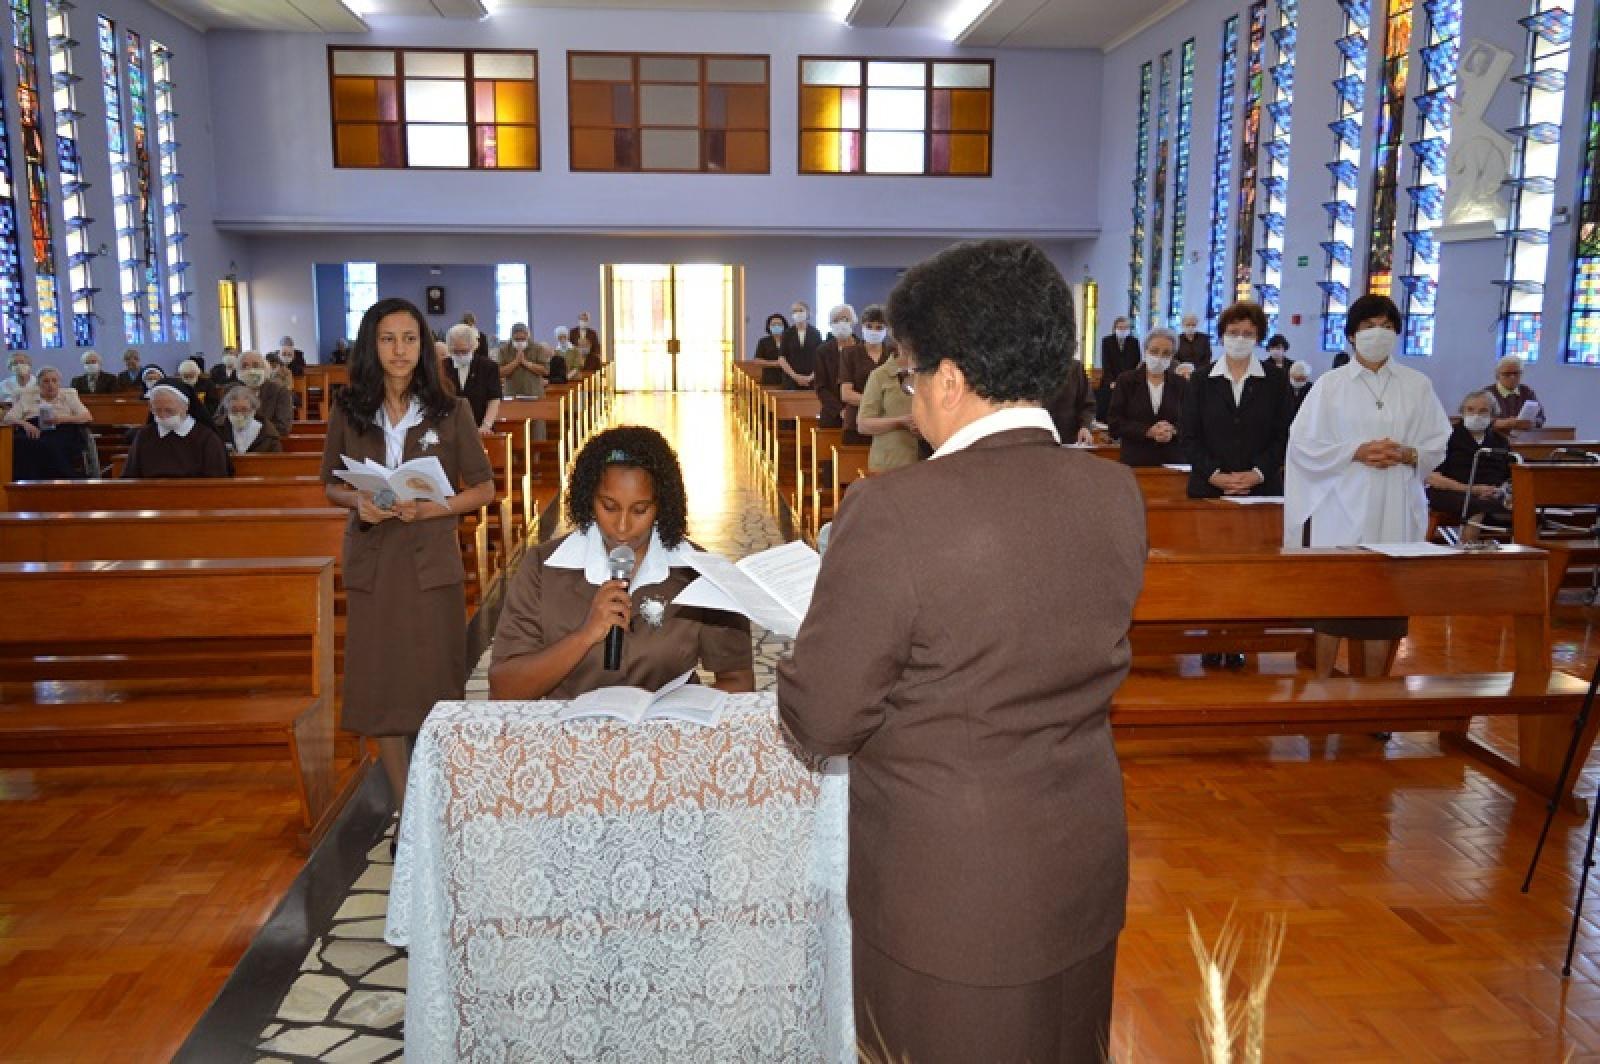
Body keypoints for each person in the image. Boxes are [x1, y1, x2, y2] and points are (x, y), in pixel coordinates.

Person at [778, 239, 1144, 1064]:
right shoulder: (1114, 493)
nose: (910, 403)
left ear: (949, 376)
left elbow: (826, 717)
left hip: (950, 896)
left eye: (911, 378)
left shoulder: (897, 512)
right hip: (1079, 867)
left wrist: (806, 648)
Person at [319, 296, 495, 814]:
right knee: (382, 693)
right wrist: (358, 501)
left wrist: (435, 508)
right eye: (389, 339)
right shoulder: (349, 409)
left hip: (428, 565)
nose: (400, 350)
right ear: (372, 346)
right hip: (374, 562)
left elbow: (482, 490)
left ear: (424, 346)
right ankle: (403, 811)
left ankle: (439, 807)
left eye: (410, 339)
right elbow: (330, 484)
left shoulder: (451, 409)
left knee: (432, 689)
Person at [489, 426, 756, 699]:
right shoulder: (542, 568)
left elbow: (737, 682)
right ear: (589, 499)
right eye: (609, 506)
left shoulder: (700, 574)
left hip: (665, 736)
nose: (623, 527)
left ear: (661, 505)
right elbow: (505, 689)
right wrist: (585, 635)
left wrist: (680, 721)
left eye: (640, 510)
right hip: (572, 737)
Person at [1284, 293, 1452, 678]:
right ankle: (1323, 686)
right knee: (1336, 600)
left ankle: (1375, 691)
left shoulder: (1417, 384)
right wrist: (1356, 451)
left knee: (1384, 600)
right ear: (1352, 335)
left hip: (1395, 500)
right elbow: (1304, 444)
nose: (1379, 333)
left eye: (1387, 327)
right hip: (1341, 503)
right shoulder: (1330, 385)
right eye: (1369, 326)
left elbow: (1438, 440)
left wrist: (1408, 454)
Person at [1182, 301, 1291, 499]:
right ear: (1222, 336)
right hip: (1208, 488)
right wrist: (1215, 475)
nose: (1239, 339)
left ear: (1258, 338)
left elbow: (1284, 434)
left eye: (1248, 334)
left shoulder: (1277, 380)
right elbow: (1188, 436)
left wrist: (1257, 473)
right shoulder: (1200, 379)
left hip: (1262, 489)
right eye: (1233, 332)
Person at [1426, 389, 1513, 542]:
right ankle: (1467, 553)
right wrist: (1473, 490)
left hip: (1492, 494)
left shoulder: (1500, 441)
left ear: (1492, 415)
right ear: (1462, 412)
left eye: (1483, 411)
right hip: (1451, 492)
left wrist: (1500, 490)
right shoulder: (1448, 437)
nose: (1476, 415)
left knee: (1521, 505)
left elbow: (1509, 475)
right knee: (1476, 506)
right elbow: (1432, 478)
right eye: (1470, 410)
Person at [1108, 326, 1187, 466]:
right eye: (1155, 351)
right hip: (1136, 460)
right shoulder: (1126, 381)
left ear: (1172, 356)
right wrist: (1148, 431)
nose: (1159, 357)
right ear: (1145, 351)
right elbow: (1115, 423)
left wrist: (1172, 430)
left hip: (1173, 461)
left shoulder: (1181, 384)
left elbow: (1191, 423)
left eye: (1166, 353)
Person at [123, 381, 230, 478]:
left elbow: (216, 483)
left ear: (186, 406)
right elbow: (129, 478)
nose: (163, 415)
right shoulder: (144, 436)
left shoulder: (207, 438)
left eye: (169, 410)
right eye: (157, 410)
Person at [5, 367, 92, 479]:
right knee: (18, 442)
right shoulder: (27, 397)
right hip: (32, 429)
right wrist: (25, 424)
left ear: (59, 383)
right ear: (38, 384)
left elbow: (87, 416)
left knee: (48, 445)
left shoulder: (69, 396)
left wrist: (61, 419)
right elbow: (8, 418)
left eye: (54, 381)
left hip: (61, 429)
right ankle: (26, 481)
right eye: (46, 381)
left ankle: (57, 479)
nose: (50, 384)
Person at [856, 337, 919, 473]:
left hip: (927, 461)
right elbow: (863, 424)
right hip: (890, 462)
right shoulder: (879, 375)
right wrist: (900, 422)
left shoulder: (930, 374)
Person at [839, 304, 896, 444]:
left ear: (886, 330)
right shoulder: (849, 353)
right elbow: (846, 394)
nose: (873, 331)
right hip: (856, 424)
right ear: (863, 327)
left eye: (879, 327)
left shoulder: (894, 354)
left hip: (887, 424)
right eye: (869, 326)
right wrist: (877, 401)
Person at [442, 322, 502, 434]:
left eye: (464, 351)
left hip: (480, 427)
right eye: (455, 351)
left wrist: (486, 425)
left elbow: (494, 399)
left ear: (473, 347)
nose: (460, 355)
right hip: (449, 429)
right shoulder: (442, 367)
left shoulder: (488, 366)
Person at [812, 303, 855, 431]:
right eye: (836, 320)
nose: (841, 323)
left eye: (845, 319)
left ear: (853, 322)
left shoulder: (862, 347)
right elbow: (820, 387)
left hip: (859, 412)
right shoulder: (823, 351)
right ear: (831, 324)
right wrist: (840, 410)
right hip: (832, 414)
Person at [232, 350, 294, 437]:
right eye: (245, 366)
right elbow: (218, 421)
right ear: (238, 372)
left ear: (265, 369)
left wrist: (251, 431)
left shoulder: (279, 391)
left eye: (256, 365)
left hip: (265, 444)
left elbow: (283, 427)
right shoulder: (231, 390)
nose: (251, 370)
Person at [1044, 352, 1096, 446]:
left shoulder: (1075, 367)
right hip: (1038, 438)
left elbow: (1087, 404)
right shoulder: (1030, 368)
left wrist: (1085, 427)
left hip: (1069, 439)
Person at [1096, 315, 1140, 420]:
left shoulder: (1134, 342)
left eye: (1125, 328)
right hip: (1110, 380)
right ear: (1115, 328)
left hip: (1129, 381)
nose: (1123, 330)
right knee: (1107, 408)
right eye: (1120, 328)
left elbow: (1136, 362)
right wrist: (1111, 381)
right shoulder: (1107, 341)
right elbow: (1106, 363)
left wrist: (1129, 379)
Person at [1486, 354, 1546, 432]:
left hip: (1523, 439)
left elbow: (1541, 418)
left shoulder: (1527, 391)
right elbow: (1479, 420)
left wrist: (1531, 423)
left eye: (1516, 373)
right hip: (1495, 438)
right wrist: (1502, 423)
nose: (1512, 377)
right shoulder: (1487, 393)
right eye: (1507, 374)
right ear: (1497, 375)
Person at [219, 385, 283, 454]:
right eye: (234, 410)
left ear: (253, 410)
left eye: (244, 410)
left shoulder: (268, 434)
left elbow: (277, 462)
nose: (239, 415)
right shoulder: (219, 431)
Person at [497, 322, 548, 398]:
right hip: (511, 394)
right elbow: (499, 373)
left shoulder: (538, 348)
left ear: (528, 336)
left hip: (534, 393)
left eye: (523, 339)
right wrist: (516, 362)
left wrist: (526, 363)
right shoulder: (504, 350)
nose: (520, 342)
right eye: (517, 339)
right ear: (511, 337)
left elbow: (545, 371)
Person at [779, 300, 822, 390]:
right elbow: (782, 358)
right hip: (791, 380)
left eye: (801, 310)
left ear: (807, 313)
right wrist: (795, 376)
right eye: (795, 311)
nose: (798, 313)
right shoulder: (787, 334)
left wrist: (810, 377)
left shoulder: (816, 333)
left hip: (811, 379)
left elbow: (820, 358)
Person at [751, 312, 789, 387]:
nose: (776, 326)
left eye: (779, 324)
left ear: (784, 326)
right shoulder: (763, 341)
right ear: (769, 326)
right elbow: (757, 361)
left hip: (787, 379)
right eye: (773, 324)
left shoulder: (790, 341)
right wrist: (774, 363)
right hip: (769, 379)